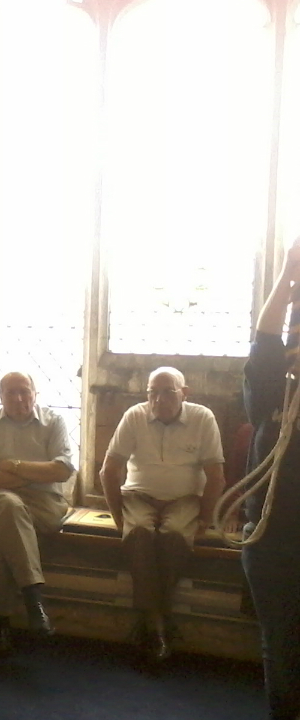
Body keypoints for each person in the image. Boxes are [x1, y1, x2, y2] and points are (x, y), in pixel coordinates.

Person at [99, 366, 224, 663]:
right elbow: (109, 471)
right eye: (152, 392)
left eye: (168, 391)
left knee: (176, 536)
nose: (159, 400)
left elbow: (216, 476)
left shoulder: (202, 417)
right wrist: (118, 516)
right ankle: (160, 624)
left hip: (184, 499)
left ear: (184, 392)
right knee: (138, 533)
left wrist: (205, 519)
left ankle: (149, 620)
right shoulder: (135, 416)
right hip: (138, 496)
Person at [0, 371, 74, 657]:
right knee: (10, 507)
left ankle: (0, 619)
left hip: (45, 502)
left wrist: (13, 466)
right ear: (0, 396)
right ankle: (33, 601)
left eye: (24, 391)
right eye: (11, 392)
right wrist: (37, 472)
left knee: (9, 533)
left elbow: (63, 470)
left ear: (35, 393)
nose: (18, 398)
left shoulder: (53, 422)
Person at [240, 239, 300, 720]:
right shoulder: (270, 394)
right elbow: (265, 338)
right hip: (269, 537)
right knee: (279, 643)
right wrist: (287, 274)